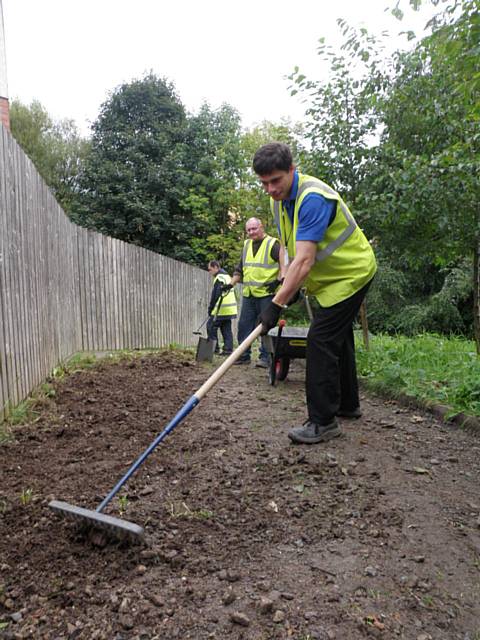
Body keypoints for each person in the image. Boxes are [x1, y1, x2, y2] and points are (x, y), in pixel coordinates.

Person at [255, 142, 377, 445]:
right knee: (339, 335)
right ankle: (349, 404)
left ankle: (323, 422)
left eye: (276, 180)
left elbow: (306, 260)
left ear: (292, 171)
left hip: (351, 273)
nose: (270, 189)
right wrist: (286, 280)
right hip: (332, 279)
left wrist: (276, 303)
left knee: (320, 339)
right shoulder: (279, 200)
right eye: (264, 183)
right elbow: (287, 245)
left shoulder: (312, 198)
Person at [228, 217, 282, 367]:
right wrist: (229, 285)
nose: (251, 232)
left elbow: (285, 264)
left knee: (266, 326)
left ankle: (266, 357)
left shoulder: (273, 244)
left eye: (254, 229)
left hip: (267, 294)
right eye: (249, 230)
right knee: (244, 325)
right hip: (249, 294)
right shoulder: (246, 245)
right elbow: (240, 270)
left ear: (261, 227)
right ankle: (243, 355)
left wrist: (278, 281)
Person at [206, 260, 237, 356]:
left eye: (210, 269)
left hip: (221, 309)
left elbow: (215, 295)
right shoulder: (228, 276)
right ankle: (228, 350)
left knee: (210, 326)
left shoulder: (219, 278)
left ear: (216, 267)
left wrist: (210, 308)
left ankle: (214, 349)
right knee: (226, 329)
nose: (209, 272)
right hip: (230, 310)